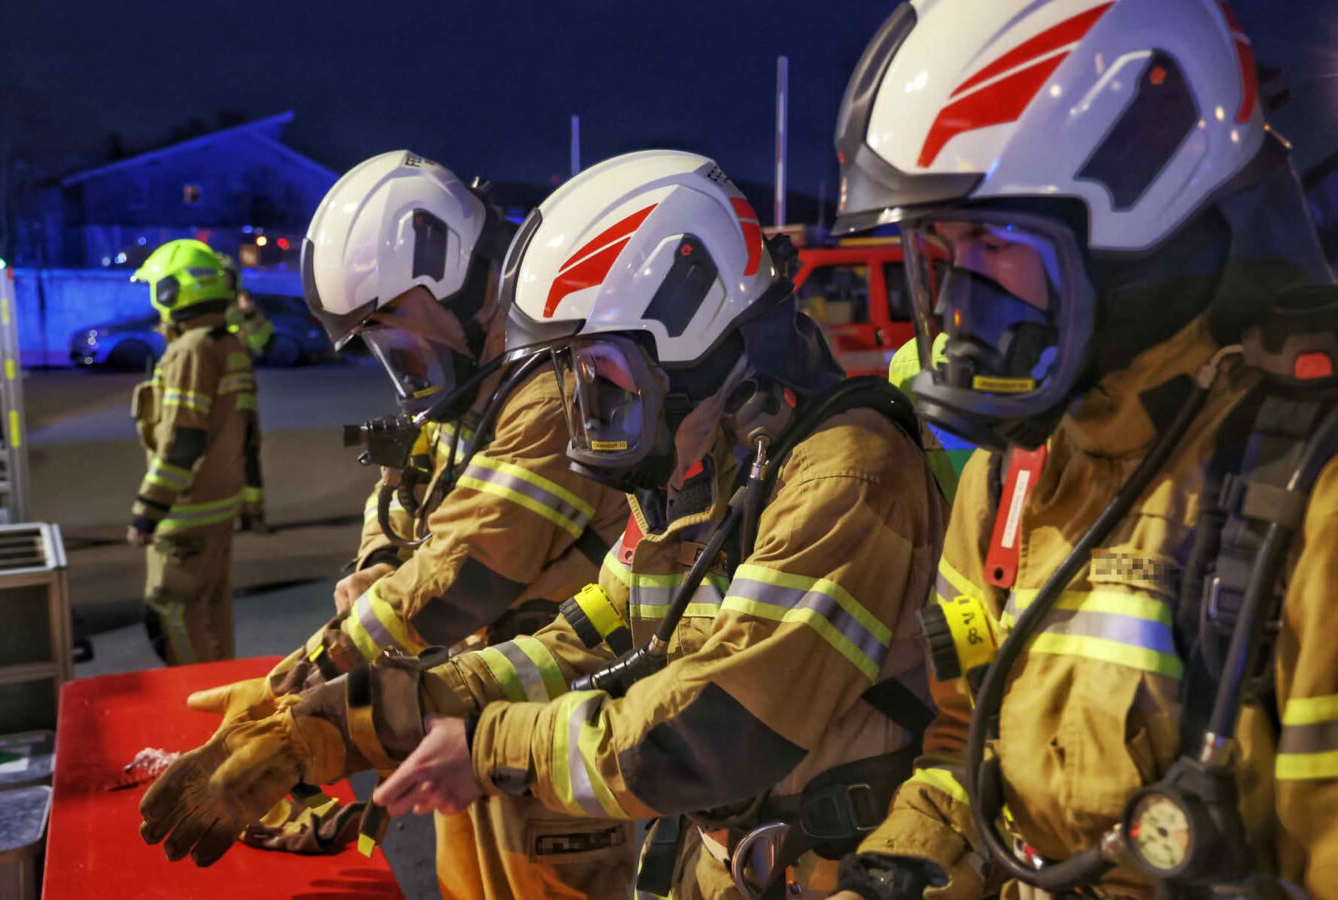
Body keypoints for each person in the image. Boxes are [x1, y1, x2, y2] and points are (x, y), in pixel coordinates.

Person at [138, 149, 949, 899]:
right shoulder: (698, 479)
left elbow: (714, 727)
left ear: (692, 331)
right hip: (729, 861)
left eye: (600, 376)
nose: (587, 414)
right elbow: (583, 640)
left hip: (834, 869)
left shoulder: (843, 472)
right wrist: (359, 716)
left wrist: (484, 745)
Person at [825, 1, 1336, 897]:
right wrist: (915, 855)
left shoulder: (1309, 498)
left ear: (1139, 236)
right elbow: (967, 745)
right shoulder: (1010, 473)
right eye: (938, 256)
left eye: (990, 249)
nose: (955, 317)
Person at [174, 151, 636, 898]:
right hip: (460, 697)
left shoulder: (551, 389)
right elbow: (397, 498)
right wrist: (380, 562)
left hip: (551, 725)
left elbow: (461, 572)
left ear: (448, 276)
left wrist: (289, 692)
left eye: (386, 322)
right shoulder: (464, 386)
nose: (389, 352)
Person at [128, 239, 258, 664]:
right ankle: (224, 702)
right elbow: (246, 431)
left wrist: (147, 511)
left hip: (185, 515)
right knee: (213, 612)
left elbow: (184, 438)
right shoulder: (229, 344)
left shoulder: (190, 351)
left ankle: (193, 708)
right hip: (219, 508)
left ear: (171, 292)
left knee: (171, 613)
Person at [216, 252, 272, 533]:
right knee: (223, 460)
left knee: (249, 457)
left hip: (244, 398)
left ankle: (255, 514)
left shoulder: (243, 306)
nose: (224, 282)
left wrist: (249, 312)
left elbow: (262, 341)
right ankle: (232, 515)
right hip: (215, 399)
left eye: (228, 276)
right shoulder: (211, 312)